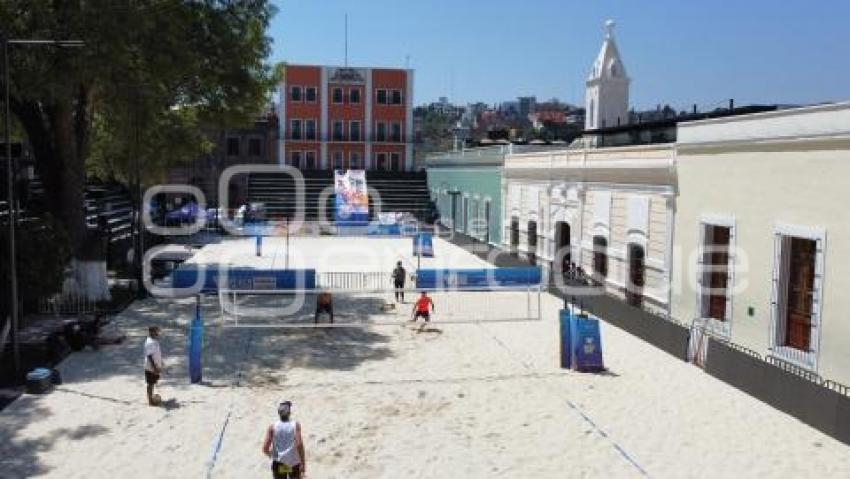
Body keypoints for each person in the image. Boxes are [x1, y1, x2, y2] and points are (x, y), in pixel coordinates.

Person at [262, 400, 306, 479]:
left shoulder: (272, 427)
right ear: (289, 413)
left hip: (279, 463)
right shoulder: (295, 425)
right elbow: (299, 444)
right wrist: (302, 463)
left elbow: (265, 448)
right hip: (293, 463)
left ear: (279, 413)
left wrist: (271, 455)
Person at [144, 326, 164, 406]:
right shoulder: (149, 342)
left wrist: (161, 362)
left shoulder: (154, 341)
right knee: (150, 384)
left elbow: (156, 353)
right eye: (157, 332)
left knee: (153, 382)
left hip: (155, 365)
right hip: (150, 367)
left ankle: (152, 398)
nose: (158, 333)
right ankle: (150, 401)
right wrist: (154, 367)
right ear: (152, 332)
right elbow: (149, 356)